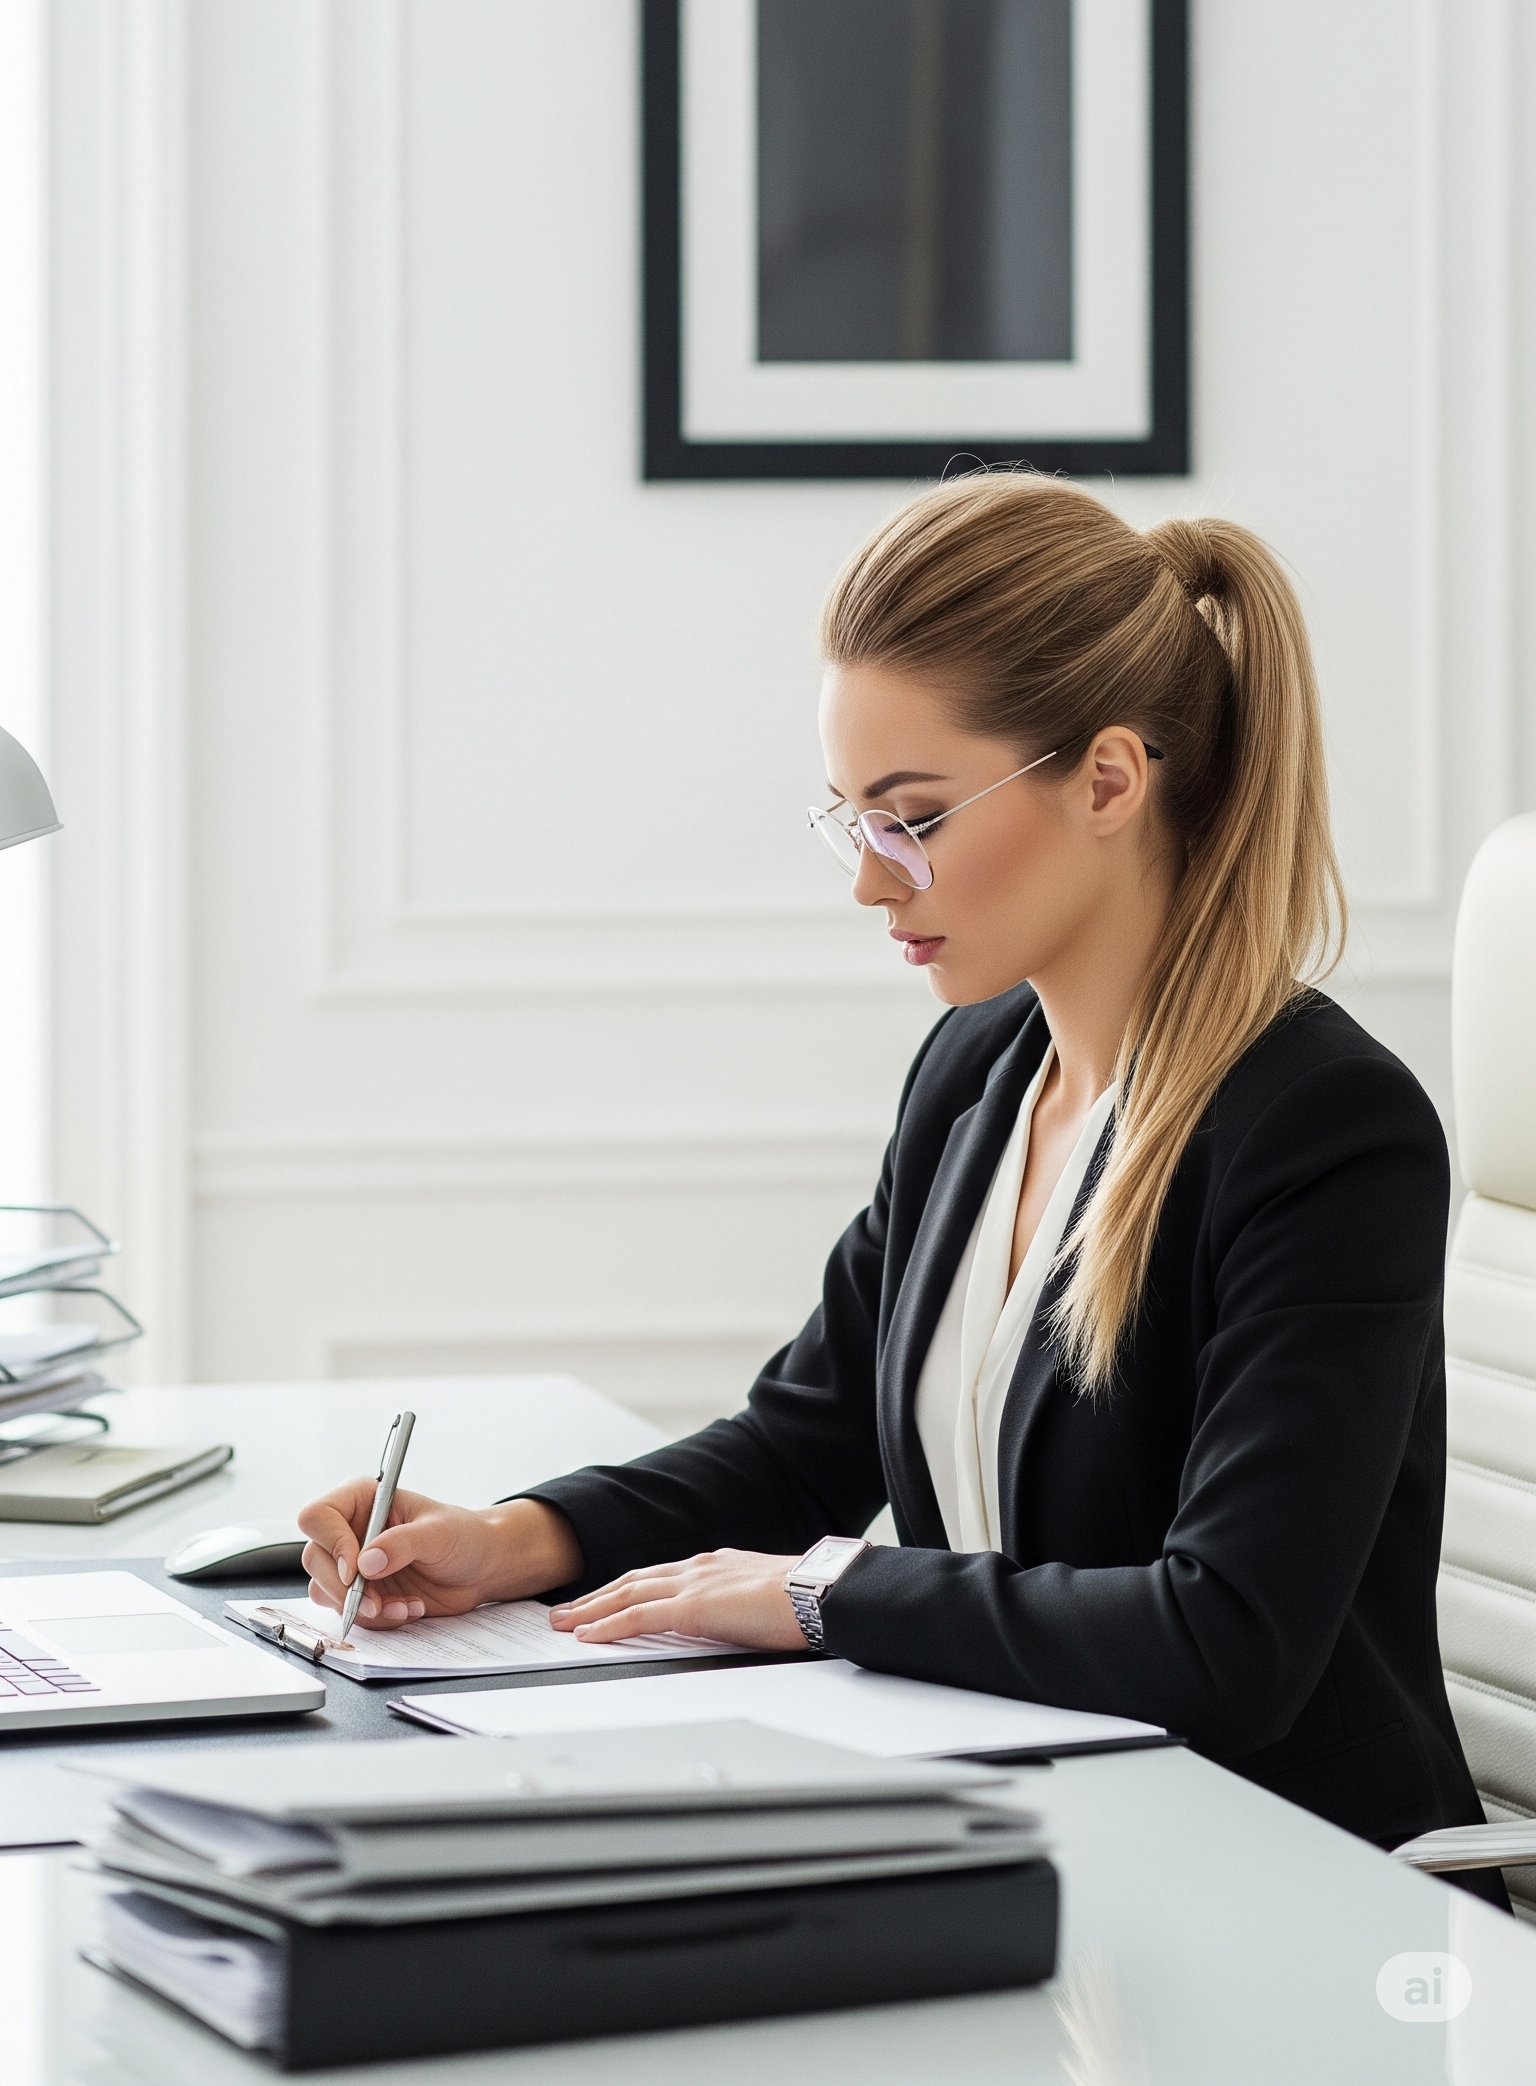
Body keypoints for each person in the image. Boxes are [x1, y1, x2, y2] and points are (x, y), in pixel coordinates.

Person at [300, 473, 1498, 1891]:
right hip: (1030, 1834)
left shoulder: (1322, 1129)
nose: (873, 884)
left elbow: (1225, 1641)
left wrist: (826, 1596)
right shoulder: (978, 1077)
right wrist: (517, 1539)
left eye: (913, 818)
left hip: (1287, 1883)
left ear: (1109, 780)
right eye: (850, 820)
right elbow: (802, 1443)